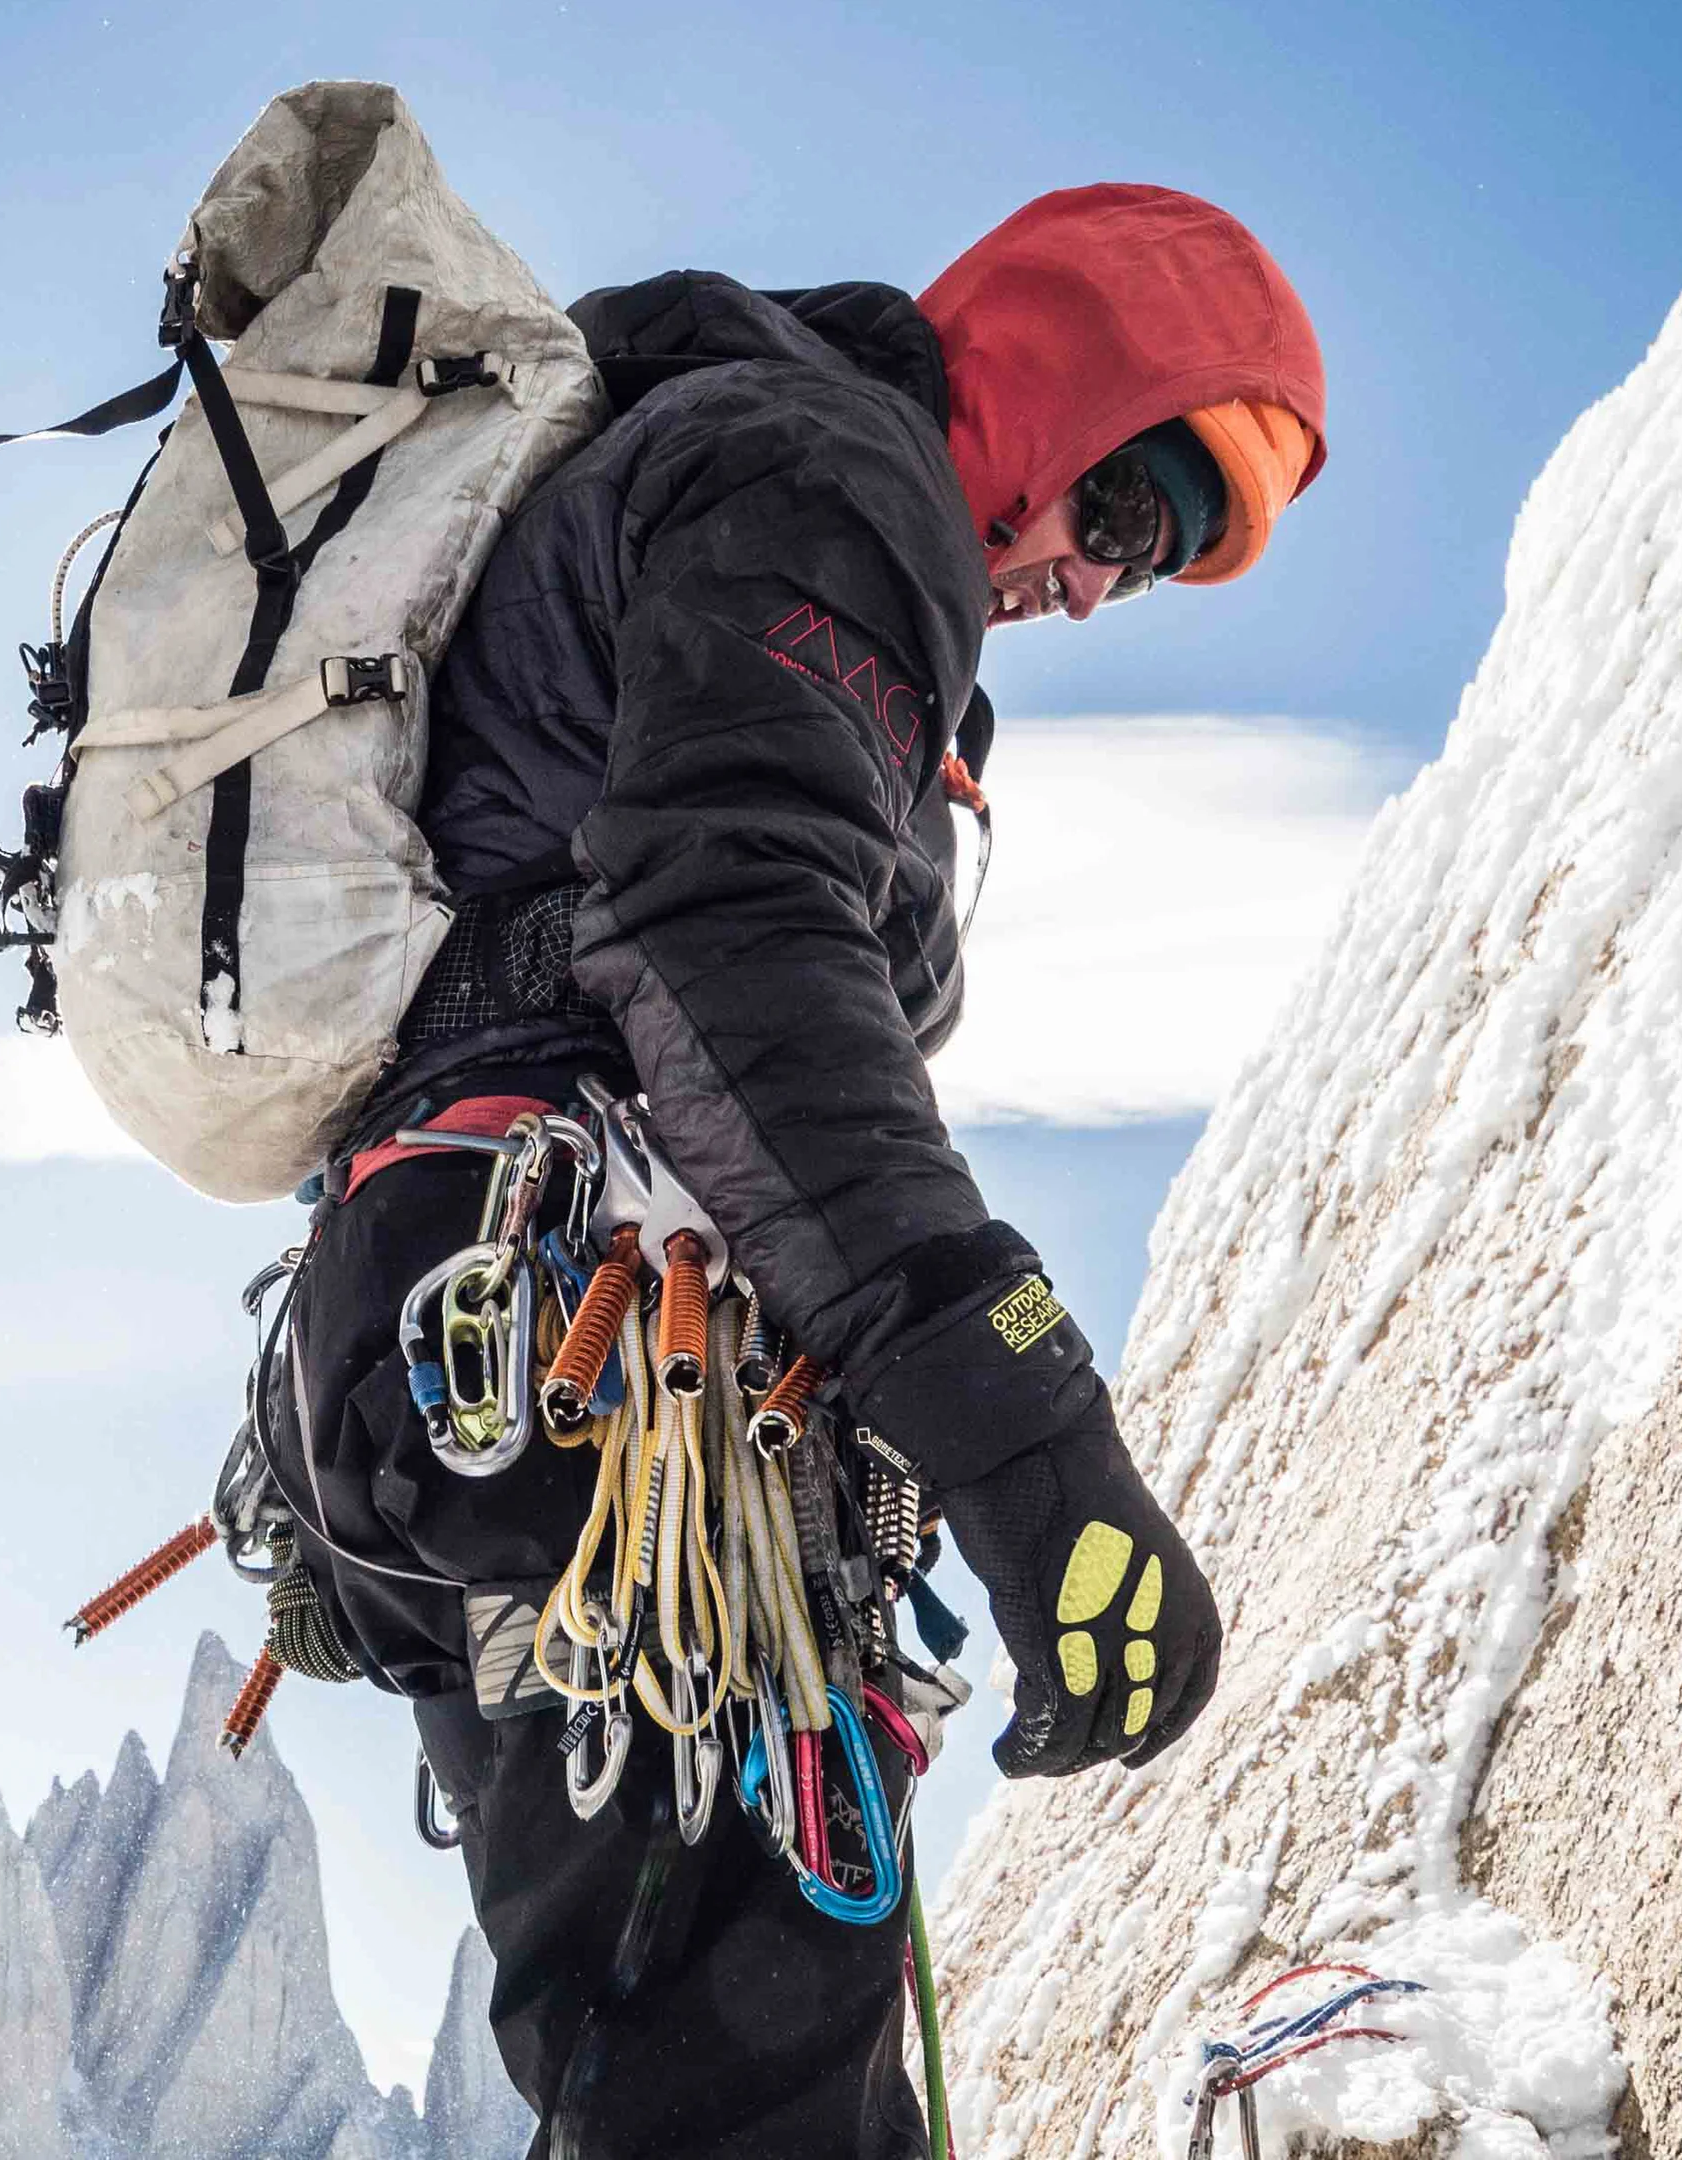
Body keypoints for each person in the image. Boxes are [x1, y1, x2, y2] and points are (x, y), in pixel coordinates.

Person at [270, 183, 1325, 2158]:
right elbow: (727, 946)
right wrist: (1031, 1449)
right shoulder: (826, 485)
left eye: (1159, 567)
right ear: (1038, 382)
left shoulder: (760, 481)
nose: (1100, 585)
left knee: (715, 2090)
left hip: (488, 1351)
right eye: (1119, 509)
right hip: (605, 1379)